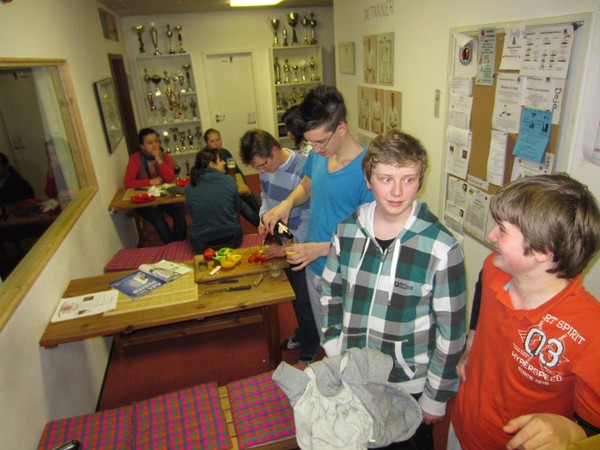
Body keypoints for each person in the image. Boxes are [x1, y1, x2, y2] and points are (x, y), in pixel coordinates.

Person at [320, 130, 467, 449]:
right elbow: (330, 292)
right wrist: (333, 345)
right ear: (368, 180)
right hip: (355, 372)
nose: (397, 191)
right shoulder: (346, 232)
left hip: (408, 384)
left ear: (420, 180)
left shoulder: (441, 246)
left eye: (408, 179)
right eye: (386, 179)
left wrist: (436, 396)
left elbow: (452, 331)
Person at [449, 173, 600, 450]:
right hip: (463, 424)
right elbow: (483, 284)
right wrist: (472, 339)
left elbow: (593, 424)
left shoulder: (590, 330)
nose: (491, 235)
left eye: (502, 230)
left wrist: (572, 431)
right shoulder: (495, 267)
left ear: (542, 250)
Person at [262, 85, 375, 342]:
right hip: (313, 264)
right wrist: (287, 204)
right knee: (326, 337)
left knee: (347, 344)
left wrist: (321, 249)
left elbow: (370, 241)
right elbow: (307, 186)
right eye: (311, 142)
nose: (315, 149)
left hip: (344, 275)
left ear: (341, 128)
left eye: (320, 141)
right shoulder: (321, 153)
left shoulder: (367, 172)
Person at [239, 128, 319, 363]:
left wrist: (287, 249)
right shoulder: (267, 168)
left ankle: (310, 350)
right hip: (284, 233)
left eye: (263, 165)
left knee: (303, 299)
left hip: (302, 239)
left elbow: (309, 219)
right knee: (292, 291)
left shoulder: (303, 169)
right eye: (257, 168)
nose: (261, 172)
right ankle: (303, 334)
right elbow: (265, 196)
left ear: (275, 151)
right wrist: (264, 218)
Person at [124, 128, 187, 244]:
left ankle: (181, 243)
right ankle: (171, 245)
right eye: (150, 143)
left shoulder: (164, 156)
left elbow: (169, 178)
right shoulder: (135, 159)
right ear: (142, 146)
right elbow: (128, 183)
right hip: (144, 199)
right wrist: (150, 182)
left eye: (156, 141)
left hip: (164, 196)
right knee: (159, 220)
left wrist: (159, 159)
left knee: (179, 209)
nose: (155, 145)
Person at [185, 148, 242, 253]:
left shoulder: (189, 187)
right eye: (220, 160)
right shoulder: (230, 181)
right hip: (232, 241)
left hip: (202, 245)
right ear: (211, 164)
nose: (224, 162)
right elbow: (236, 210)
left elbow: (193, 214)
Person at [203, 128, 261, 227]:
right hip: (222, 191)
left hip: (234, 186)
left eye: (218, 140)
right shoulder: (205, 158)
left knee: (253, 196)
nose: (216, 143)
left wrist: (244, 186)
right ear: (206, 143)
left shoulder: (225, 152)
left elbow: (238, 171)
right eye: (212, 141)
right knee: (244, 207)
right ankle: (261, 225)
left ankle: (267, 219)